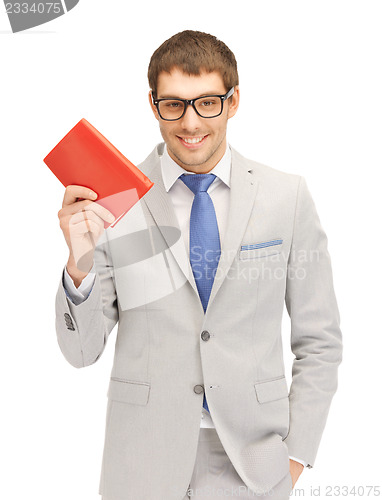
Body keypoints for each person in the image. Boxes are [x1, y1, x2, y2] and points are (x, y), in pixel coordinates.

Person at [56, 30, 343, 500]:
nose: (190, 122)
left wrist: (295, 457)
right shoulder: (116, 199)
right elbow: (80, 352)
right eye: (173, 105)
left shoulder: (284, 198)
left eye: (207, 102)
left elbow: (321, 341)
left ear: (233, 102)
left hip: (253, 468)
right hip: (141, 468)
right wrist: (79, 259)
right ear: (153, 105)